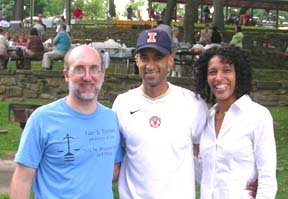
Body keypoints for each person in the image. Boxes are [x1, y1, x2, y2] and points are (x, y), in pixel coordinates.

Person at [9, 45, 123, 199]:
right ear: (66, 75)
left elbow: (114, 168)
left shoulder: (112, 120)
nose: (88, 77)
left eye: (94, 69)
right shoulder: (42, 119)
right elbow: (22, 179)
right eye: (79, 69)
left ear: (102, 74)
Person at [112, 28, 209, 199]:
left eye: (158, 57)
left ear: (170, 60)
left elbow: (209, 157)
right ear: (136, 60)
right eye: (144, 58)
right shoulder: (122, 103)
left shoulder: (192, 103)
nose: (150, 65)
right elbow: (113, 159)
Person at [195, 44, 278, 198]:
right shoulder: (207, 119)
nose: (219, 77)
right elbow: (207, 176)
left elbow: (267, 179)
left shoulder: (257, 116)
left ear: (238, 74)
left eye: (226, 70)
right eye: (212, 72)